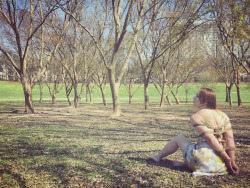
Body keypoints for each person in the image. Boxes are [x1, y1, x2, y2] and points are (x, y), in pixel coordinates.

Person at [148, 88, 239, 176]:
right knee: (193, 145)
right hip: (222, 165)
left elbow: (210, 139)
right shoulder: (224, 116)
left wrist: (228, 159)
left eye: (197, 96)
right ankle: (185, 164)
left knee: (179, 137)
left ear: (206, 101)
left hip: (204, 161)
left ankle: (158, 157)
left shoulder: (196, 117)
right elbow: (230, 138)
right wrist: (231, 161)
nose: (194, 98)